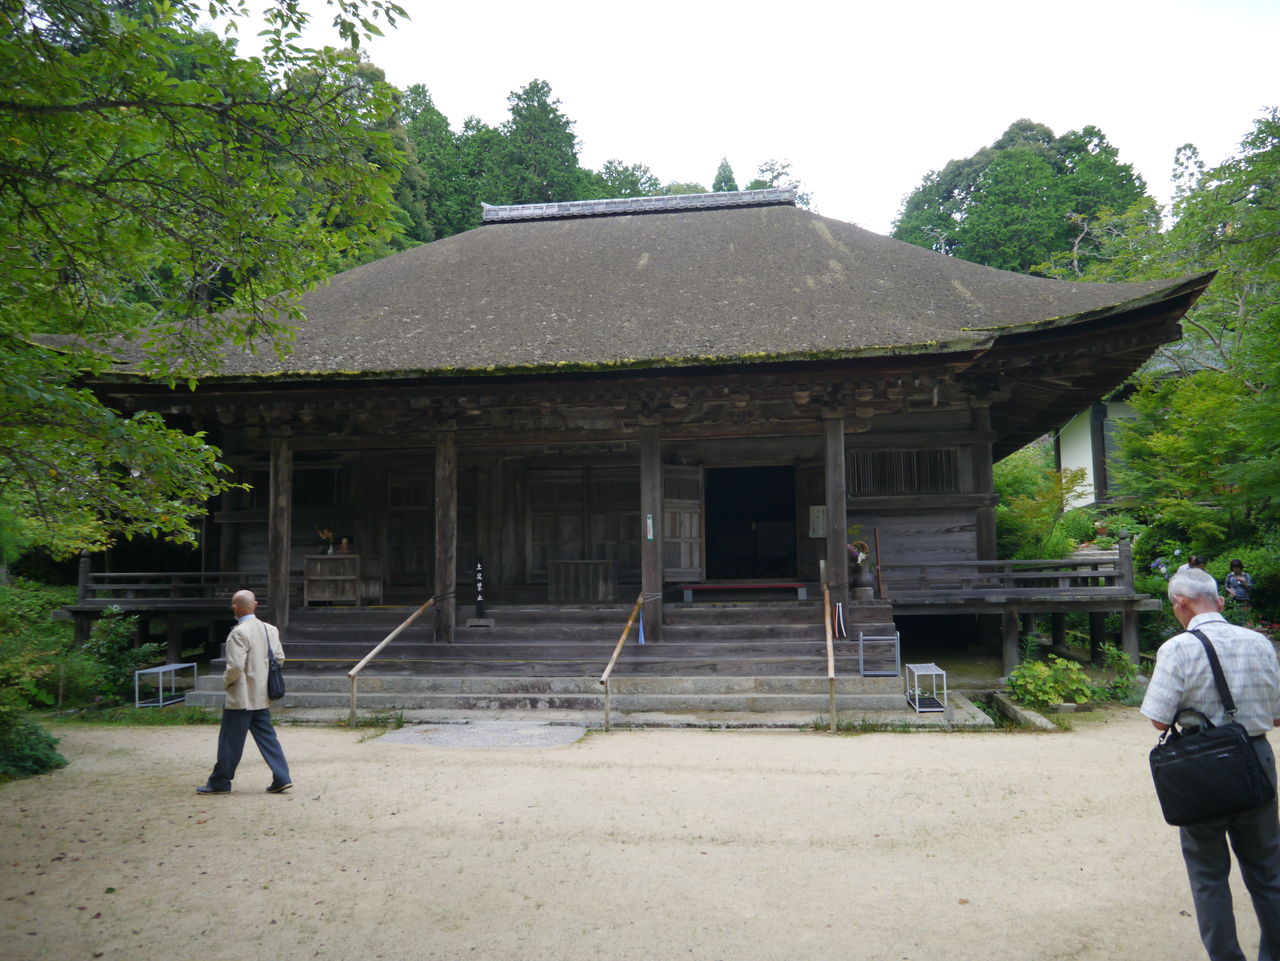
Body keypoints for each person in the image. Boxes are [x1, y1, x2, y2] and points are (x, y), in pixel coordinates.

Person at [1140, 567, 1280, 961]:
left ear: (1180, 603)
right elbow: (1276, 716)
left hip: (1201, 766)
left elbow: (1159, 719)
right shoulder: (1259, 643)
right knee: (1269, 871)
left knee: (1208, 875)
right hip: (1255, 758)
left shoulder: (1177, 649)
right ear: (1219, 601)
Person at [197, 589, 292, 795]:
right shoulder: (270, 630)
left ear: (235, 608)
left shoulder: (239, 632)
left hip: (242, 696)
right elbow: (280, 658)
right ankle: (282, 777)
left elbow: (235, 667)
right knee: (268, 738)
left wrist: (226, 681)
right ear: (255, 605)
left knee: (230, 741)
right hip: (263, 693)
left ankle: (220, 781)